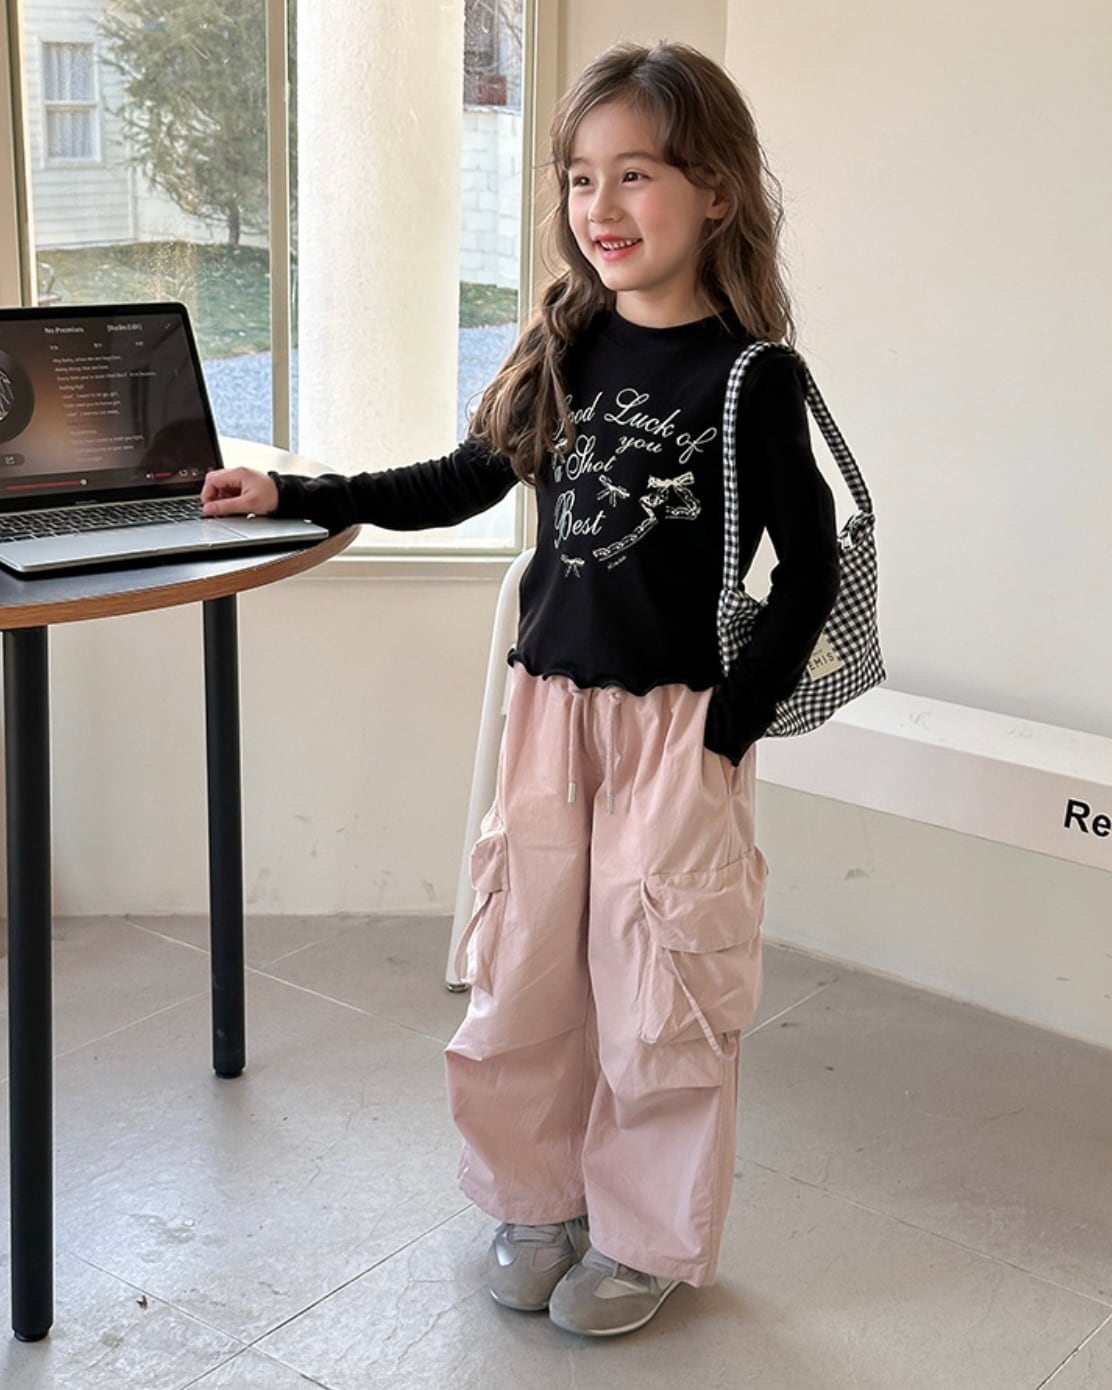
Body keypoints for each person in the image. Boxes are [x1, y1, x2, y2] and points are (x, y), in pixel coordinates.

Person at [202, 40, 840, 1337]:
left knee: (660, 988)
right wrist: (302, 492)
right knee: (527, 969)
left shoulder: (750, 378)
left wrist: (732, 722)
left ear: (716, 190)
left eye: (637, 174)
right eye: (580, 178)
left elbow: (813, 564)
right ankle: (536, 1199)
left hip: (674, 728)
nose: (602, 206)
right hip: (548, 714)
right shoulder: (569, 345)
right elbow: (459, 480)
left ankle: (645, 1234)